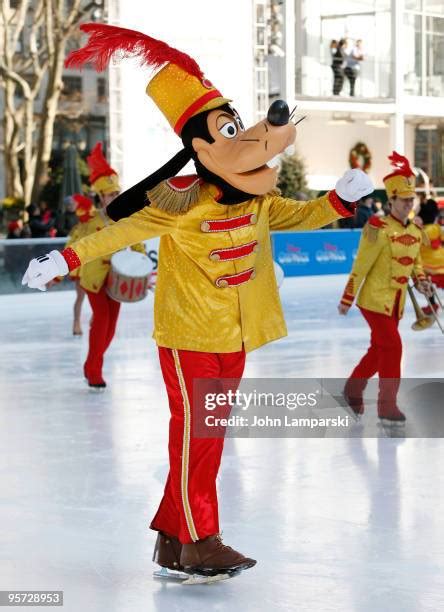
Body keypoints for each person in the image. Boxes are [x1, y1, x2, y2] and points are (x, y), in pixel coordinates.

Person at [23, 23, 373, 582]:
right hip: (189, 338)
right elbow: (119, 232)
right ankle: (201, 540)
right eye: (225, 131)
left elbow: (300, 215)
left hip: (235, 337)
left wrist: (336, 199)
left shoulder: (257, 198)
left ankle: (171, 539)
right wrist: (63, 260)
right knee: (199, 436)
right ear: (200, 147)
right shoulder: (180, 201)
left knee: (206, 438)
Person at [338, 152, 432, 425]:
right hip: (374, 300)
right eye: (403, 201)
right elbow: (361, 267)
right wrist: (347, 297)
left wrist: (422, 281)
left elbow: (416, 264)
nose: (408, 205)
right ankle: (386, 406)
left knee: (380, 349)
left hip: (397, 302)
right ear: (391, 200)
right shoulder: (376, 228)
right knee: (393, 347)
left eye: (411, 200)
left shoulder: (415, 231)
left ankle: (352, 389)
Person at [63, 143, 146, 387]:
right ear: (101, 196)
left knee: (110, 327)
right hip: (93, 277)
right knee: (101, 320)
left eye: (116, 193)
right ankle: (95, 371)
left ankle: (92, 363)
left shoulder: (125, 218)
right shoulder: (90, 220)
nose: (114, 197)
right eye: (110, 194)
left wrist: (143, 264)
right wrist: (61, 269)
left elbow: (137, 242)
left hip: (118, 278)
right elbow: (75, 242)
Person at [65, 194, 96, 336]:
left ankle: (94, 319)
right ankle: (76, 322)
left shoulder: (94, 223)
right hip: (81, 266)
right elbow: (69, 246)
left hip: (95, 264)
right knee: (81, 296)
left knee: (96, 296)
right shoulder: (78, 228)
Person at [417, 198, 444, 315]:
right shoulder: (437, 228)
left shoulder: (421, 232)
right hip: (441, 259)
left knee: (425, 283)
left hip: (427, 263)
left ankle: (432, 304)